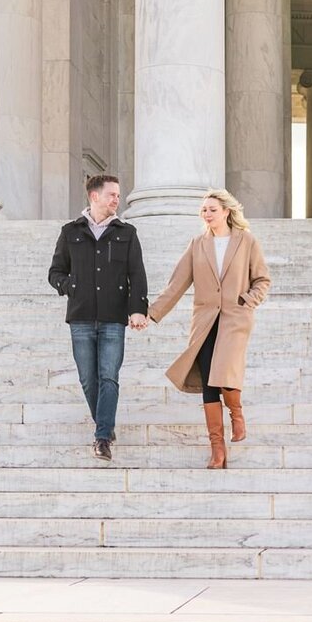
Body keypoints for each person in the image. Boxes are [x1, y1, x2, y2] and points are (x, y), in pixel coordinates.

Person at [136, 189, 271, 470]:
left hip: (235, 318)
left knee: (226, 372)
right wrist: (151, 313)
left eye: (212, 209)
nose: (207, 214)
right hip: (205, 320)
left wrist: (248, 300)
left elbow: (262, 279)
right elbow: (176, 284)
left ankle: (236, 413)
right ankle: (217, 449)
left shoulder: (246, 241)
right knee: (209, 381)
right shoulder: (198, 244)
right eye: (204, 210)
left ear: (226, 211)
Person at [48, 174, 148, 464]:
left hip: (114, 318)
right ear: (94, 196)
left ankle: (102, 436)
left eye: (117, 194)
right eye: (111, 194)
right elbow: (55, 272)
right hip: (80, 317)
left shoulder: (127, 233)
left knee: (108, 376)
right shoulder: (71, 231)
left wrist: (138, 309)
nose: (117, 199)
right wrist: (71, 286)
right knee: (87, 379)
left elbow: (137, 275)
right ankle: (105, 423)